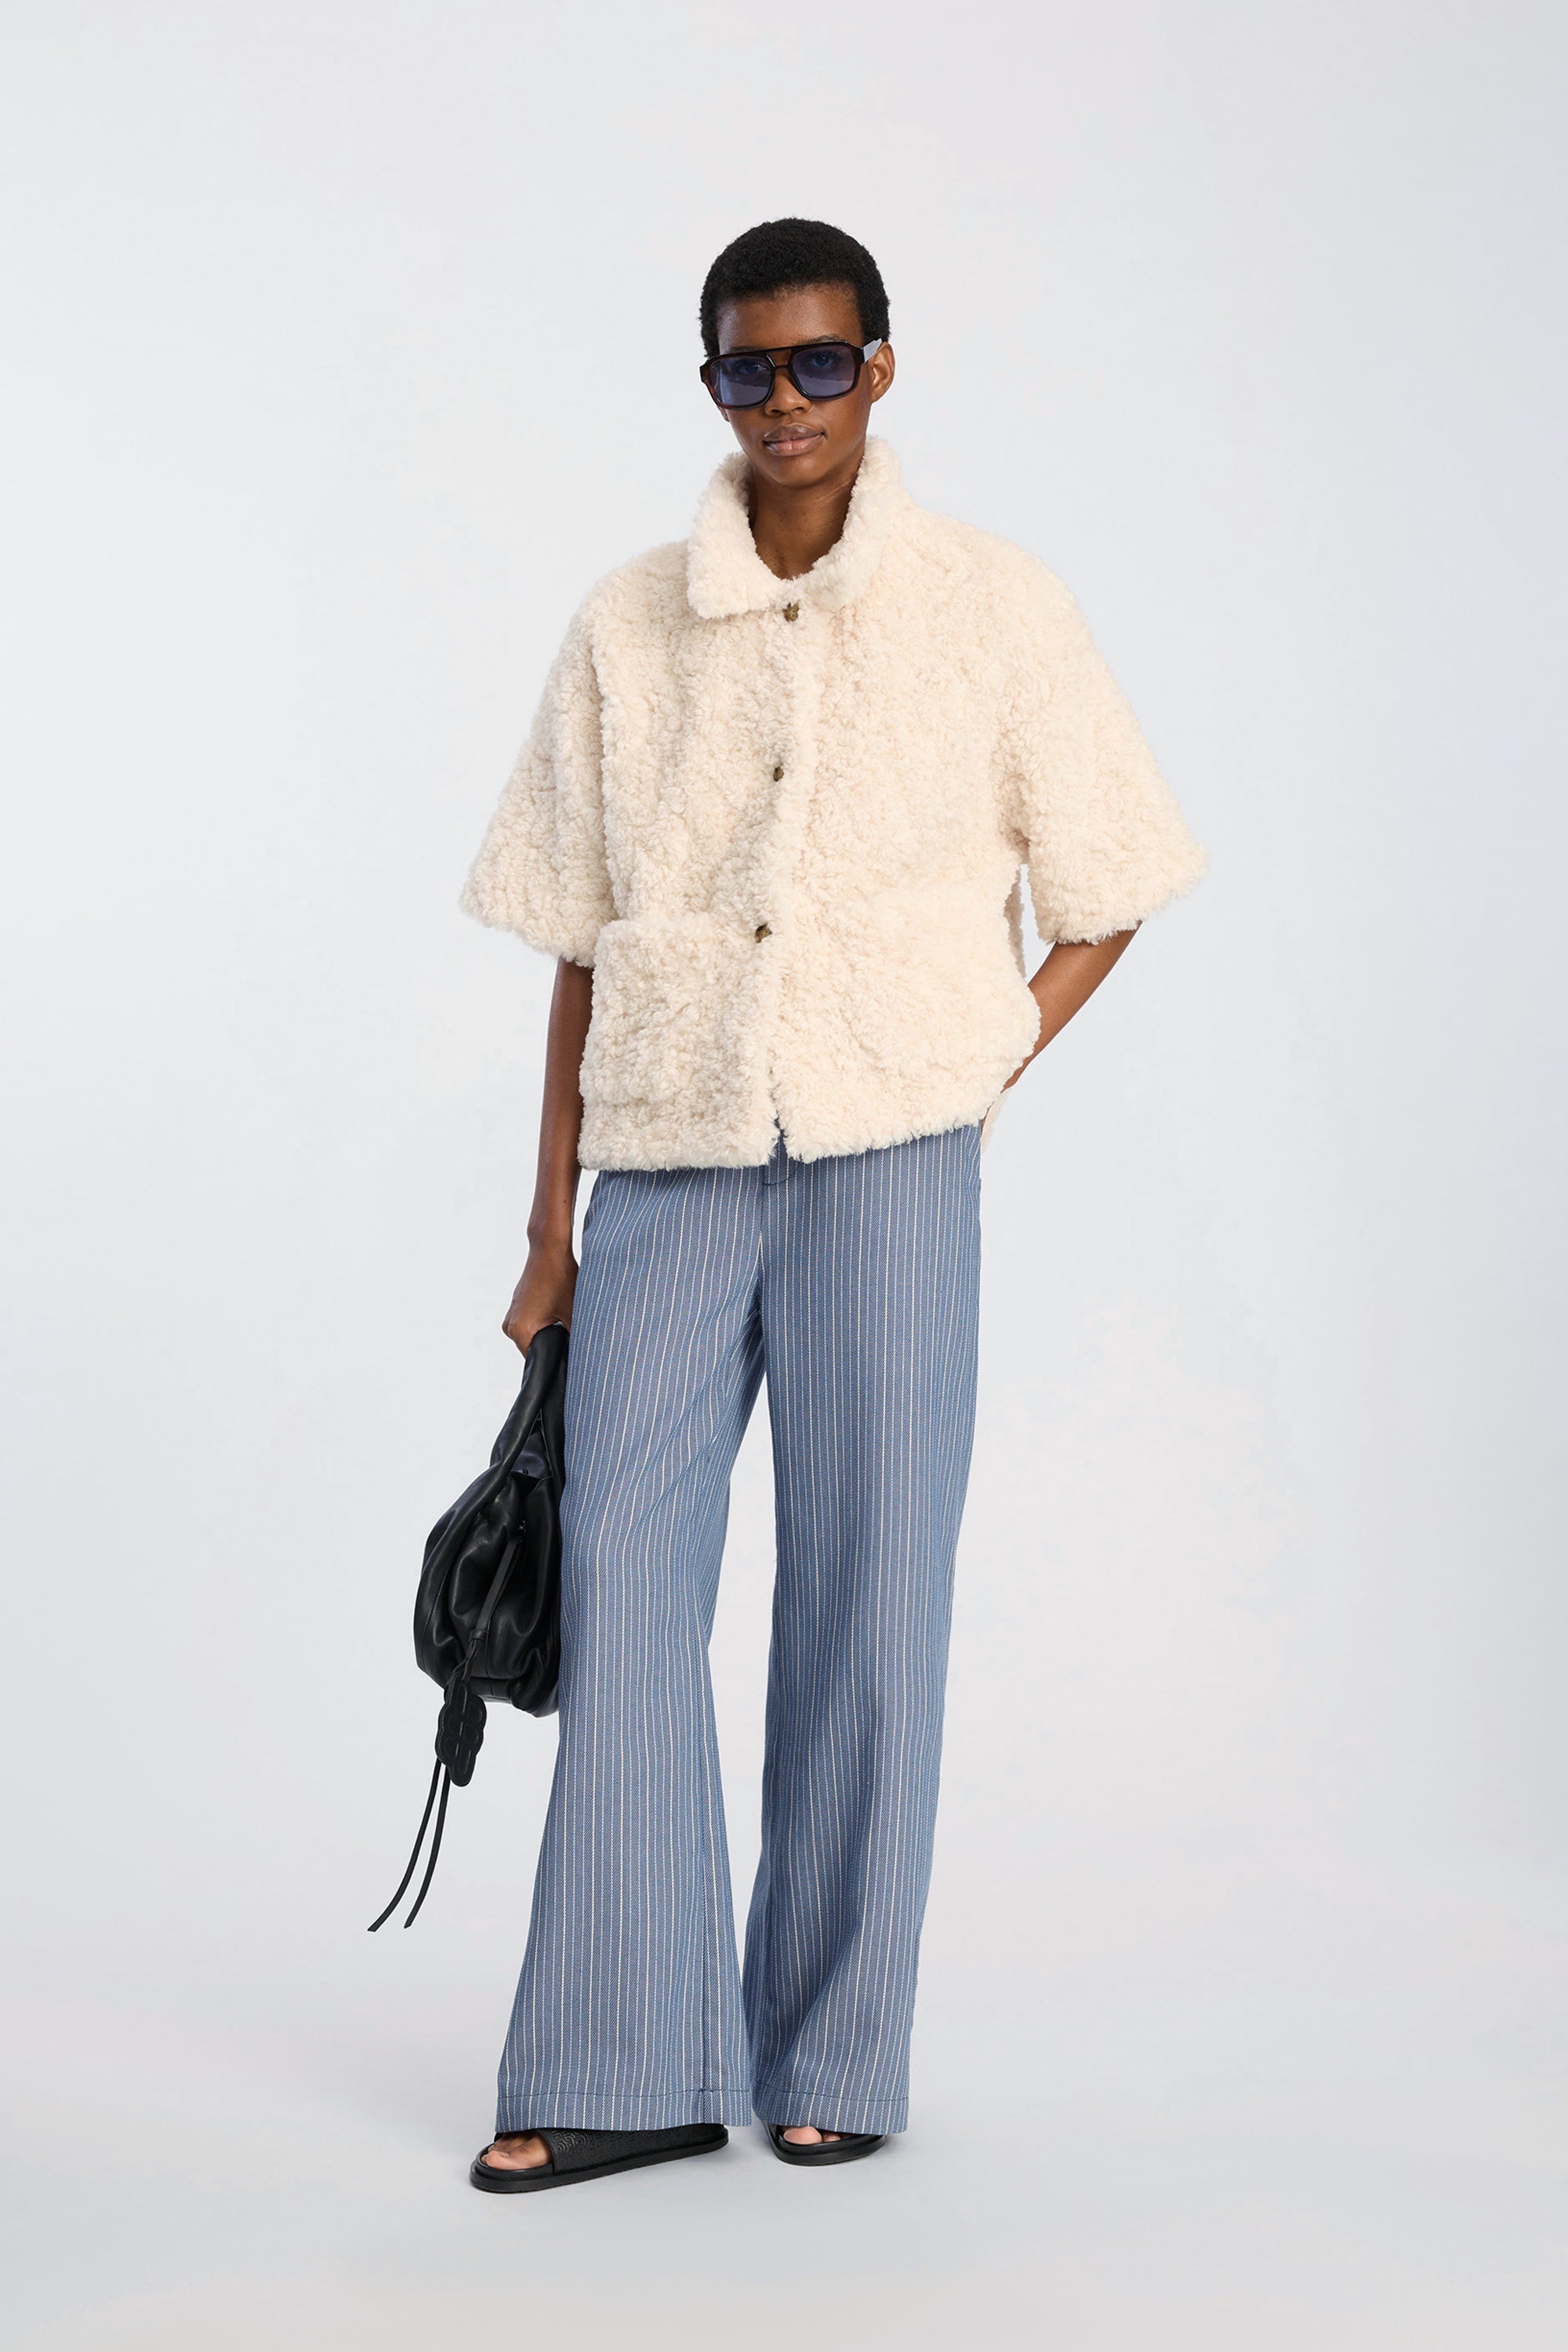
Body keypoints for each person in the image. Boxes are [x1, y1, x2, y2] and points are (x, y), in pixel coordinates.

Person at [459, 217, 1205, 2194]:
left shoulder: (991, 606)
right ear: (708, 382)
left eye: (814, 363)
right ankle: (624, 2055)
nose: (780, 402)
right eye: (744, 369)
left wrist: (967, 1057)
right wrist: (547, 1232)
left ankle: (834, 2046)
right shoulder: (630, 623)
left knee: (870, 1597)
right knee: (621, 1572)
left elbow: (1111, 879)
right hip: (668, 1161)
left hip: (895, 1161)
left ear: (878, 366)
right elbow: (577, 938)